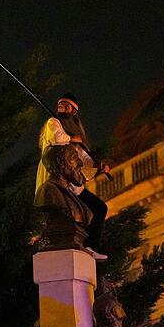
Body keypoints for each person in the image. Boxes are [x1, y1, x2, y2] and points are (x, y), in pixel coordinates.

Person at [36, 93, 110, 260]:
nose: (62, 108)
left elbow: (84, 162)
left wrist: (99, 168)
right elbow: (57, 139)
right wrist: (72, 139)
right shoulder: (53, 123)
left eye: (66, 106)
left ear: (74, 111)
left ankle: (90, 246)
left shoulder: (76, 135)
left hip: (72, 183)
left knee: (99, 208)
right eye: (60, 105)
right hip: (57, 177)